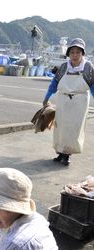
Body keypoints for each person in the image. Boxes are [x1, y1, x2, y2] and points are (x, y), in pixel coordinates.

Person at [43, 38, 94, 166]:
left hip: (80, 102)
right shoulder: (64, 66)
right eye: (72, 52)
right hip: (63, 100)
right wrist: (47, 97)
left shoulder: (88, 67)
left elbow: (93, 86)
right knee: (61, 127)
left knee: (74, 128)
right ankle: (61, 153)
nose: (75, 55)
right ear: (68, 54)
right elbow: (54, 83)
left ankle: (67, 154)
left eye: (78, 52)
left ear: (82, 53)